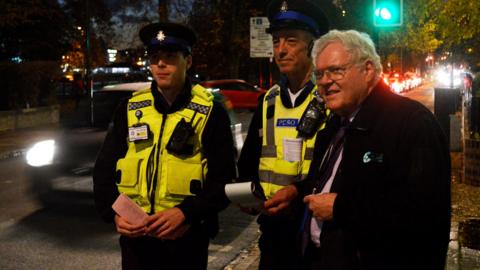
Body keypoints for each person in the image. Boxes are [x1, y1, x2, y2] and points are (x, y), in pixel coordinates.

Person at [278, 29, 451, 269]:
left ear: (368, 70)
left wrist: (341, 209)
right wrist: (297, 193)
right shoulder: (334, 124)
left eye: (336, 70)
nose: (325, 81)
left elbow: (423, 215)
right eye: (319, 74)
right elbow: (331, 184)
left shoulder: (412, 123)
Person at [93, 22, 236, 270]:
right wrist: (114, 214)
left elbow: (223, 179)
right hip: (137, 243)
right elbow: (104, 171)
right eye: (155, 57)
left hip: (186, 242)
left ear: (188, 61)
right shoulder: (129, 109)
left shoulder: (211, 113)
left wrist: (187, 214)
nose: (160, 64)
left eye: (170, 56)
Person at [237, 0, 329, 269]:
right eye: (276, 42)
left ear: (312, 45)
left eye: (291, 41)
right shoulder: (268, 101)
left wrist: (297, 193)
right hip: (272, 230)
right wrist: (246, 192)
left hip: (313, 231)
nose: (281, 50)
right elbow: (250, 159)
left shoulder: (328, 98)